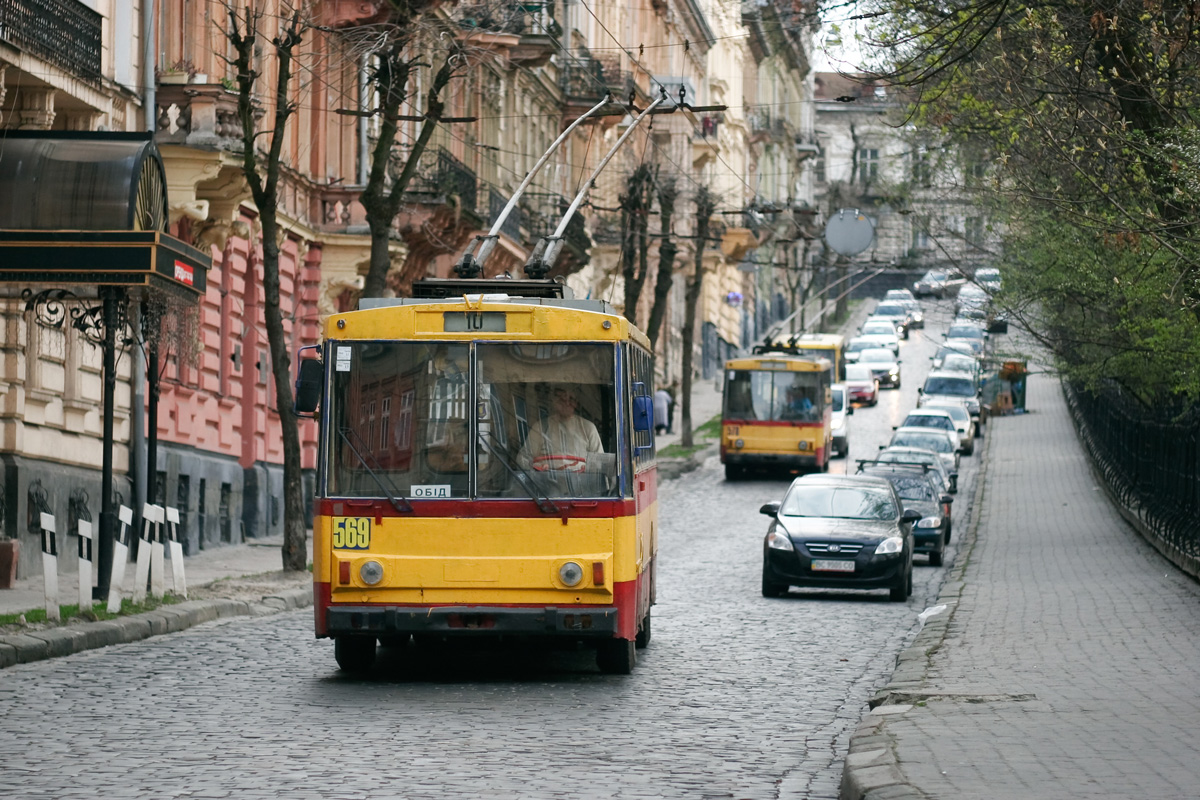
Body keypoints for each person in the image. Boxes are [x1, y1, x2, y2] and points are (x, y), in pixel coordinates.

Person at [519, 386, 604, 472]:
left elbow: (600, 463)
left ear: (576, 403)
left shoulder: (588, 428)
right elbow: (522, 458)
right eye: (562, 399)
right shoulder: (540, 427)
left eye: (571, 399)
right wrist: (536, 466)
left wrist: (586, 470)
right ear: (554, 401)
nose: (567, 403)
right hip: (546, 479)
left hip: (580, 480)